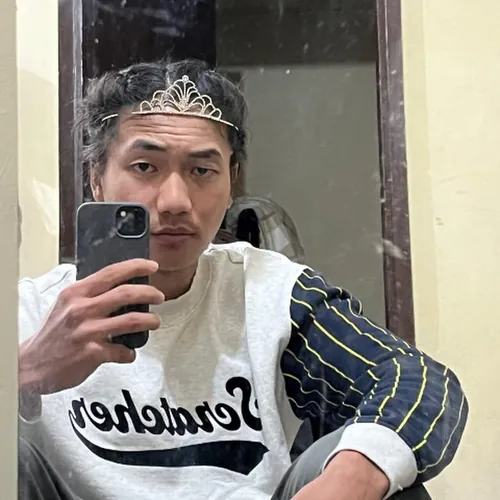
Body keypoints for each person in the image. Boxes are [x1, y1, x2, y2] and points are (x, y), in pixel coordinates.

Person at [18, 59, 467, 500]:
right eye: (144, 167)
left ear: (231, 183)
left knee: (381, 470)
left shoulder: (271, 291)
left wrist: (354, 477)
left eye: (202, 171)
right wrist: (25, 371)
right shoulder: (28, 312)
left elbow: (421, 383)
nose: (175, 201)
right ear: (97, 178)